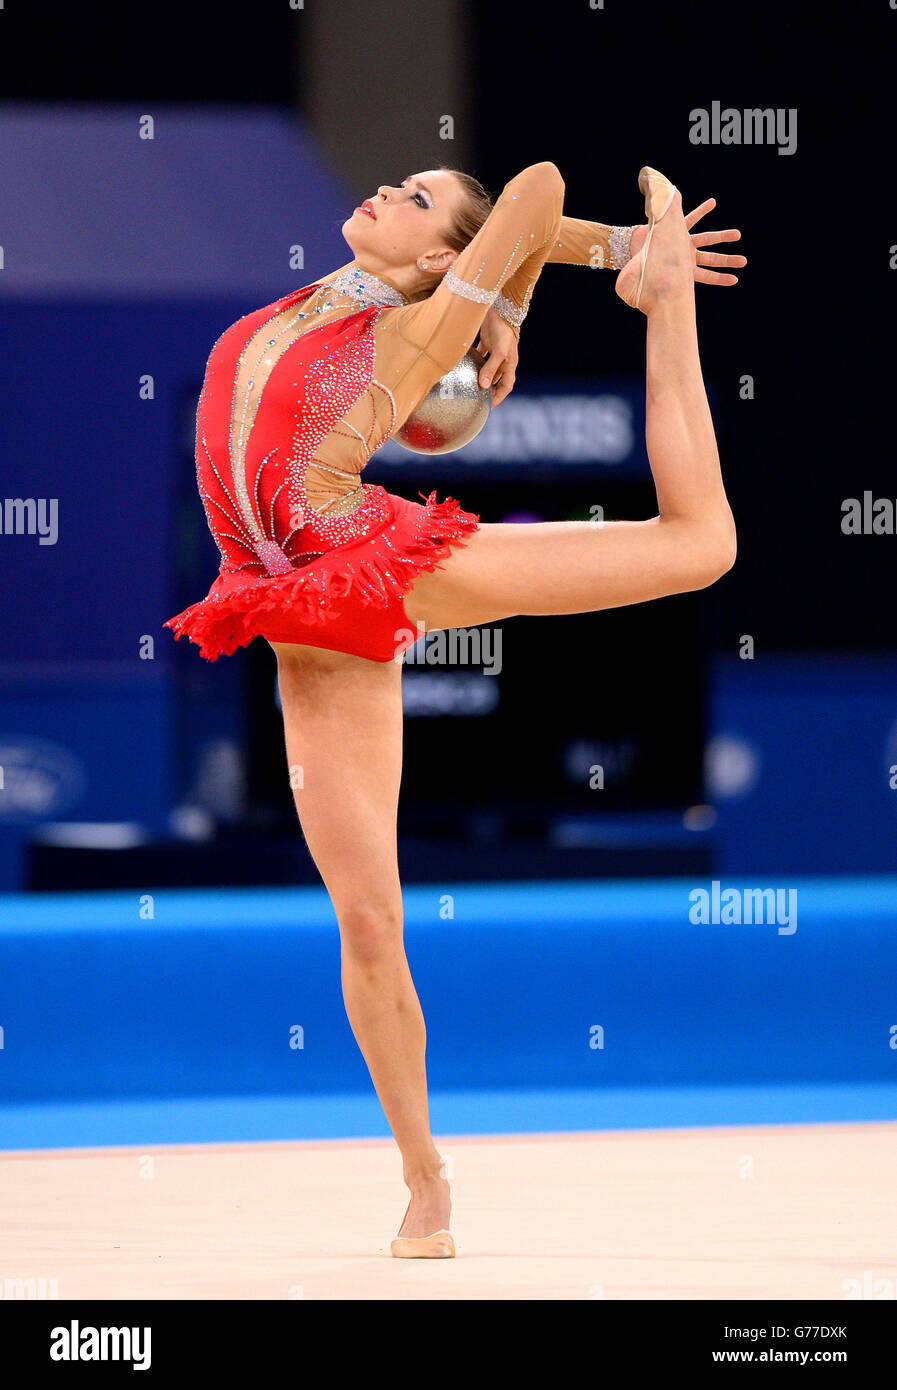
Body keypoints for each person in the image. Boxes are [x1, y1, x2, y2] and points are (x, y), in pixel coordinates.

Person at [166, 162, 745, 1258]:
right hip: (296, 609)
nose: (390, 186)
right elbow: (518, 220)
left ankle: (672, 318)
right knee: (370, 920)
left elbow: (532, 186)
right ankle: (425, 1180)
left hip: (370, 563)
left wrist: (526, 298)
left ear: (442, 262)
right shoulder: (327, 301)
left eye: (421, 198)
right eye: (402, 182)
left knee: (700, 547)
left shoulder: (412, 339)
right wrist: (616, 245)